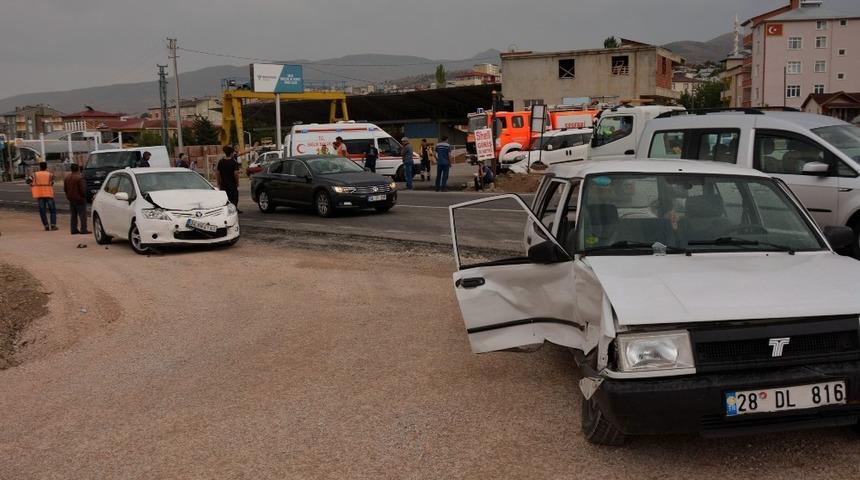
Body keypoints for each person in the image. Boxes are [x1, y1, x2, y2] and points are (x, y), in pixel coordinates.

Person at [30, 162, 58, 231]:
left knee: (42, 211)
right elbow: (52, 182)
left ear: (40, 167)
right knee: (52, 210)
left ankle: (46, 226)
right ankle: (53, 225)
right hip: (49, 194)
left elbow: (28, 181)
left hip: (39, 194)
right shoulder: (50, 175)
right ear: (46, 167)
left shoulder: (34, 174)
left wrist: (32, 185)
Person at [63, 163, 89, 234]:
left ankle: (73, 229)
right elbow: (83, 190)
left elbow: (65, 189)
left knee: (73, 215)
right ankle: (83, 229)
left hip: (71, 199)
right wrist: (84, 196)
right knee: (82, 215)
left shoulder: (67, 178)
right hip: (80, 199)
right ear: (78, 169)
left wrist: (68, 196)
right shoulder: (80, 178)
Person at [216, 145, 241, 213]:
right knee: (234, 198)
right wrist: (237, 183)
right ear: (231, 153)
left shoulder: (221, 162)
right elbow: (236, 174)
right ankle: (234, 210)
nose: (234, 154)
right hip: (232, 184)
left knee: (226, 198)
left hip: (223, 184)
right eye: (233, 153)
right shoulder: (234, 162)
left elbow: (218, 173)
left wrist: (218, 182)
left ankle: (226, 211)